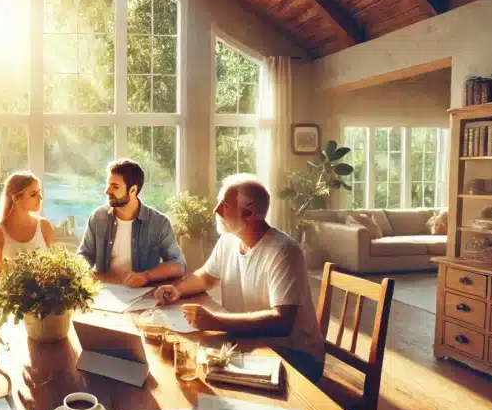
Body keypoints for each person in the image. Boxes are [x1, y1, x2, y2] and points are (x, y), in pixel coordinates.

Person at [154, 174, 326, 382]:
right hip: (250, 341)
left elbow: (282, 321)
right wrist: (178, 290)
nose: (215, 210)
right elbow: (206, 277)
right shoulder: (228, 239)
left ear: (249, 212)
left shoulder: (284, 252)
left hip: (294, 354)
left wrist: (215, 320)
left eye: (224, 205)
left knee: (201, 375)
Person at [78, 158, 186, 287]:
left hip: (142, 295)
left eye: (115, 187)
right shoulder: (98, 218)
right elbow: (84, 254)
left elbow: (178, 264)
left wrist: (147, 276)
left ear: (133, 190)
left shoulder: (159, 223)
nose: (107, 191)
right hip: (105, 292)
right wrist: (83, 270)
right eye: (108, 185)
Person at [0, 171, 55, 267]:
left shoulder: (45, 226)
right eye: (33, 194)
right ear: (15, 198)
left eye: (39, 193)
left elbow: (56, 266)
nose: (40, 198)